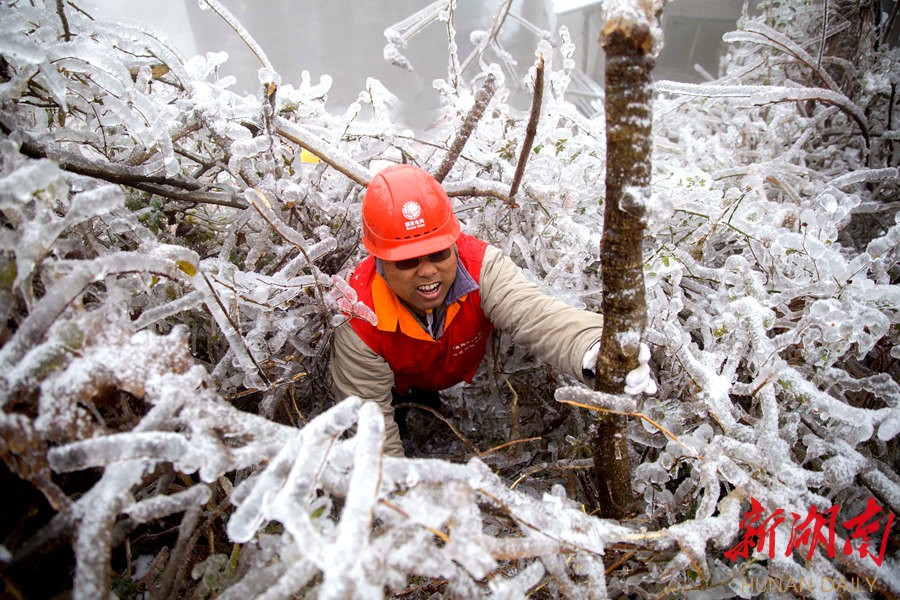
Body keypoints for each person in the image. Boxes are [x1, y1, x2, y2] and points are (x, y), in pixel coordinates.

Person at [330, 164, 655, 457]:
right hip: (393, 384)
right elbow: (372, 439)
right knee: (396, 424)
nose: (427, 271)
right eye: (408, 260)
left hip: (443, 372)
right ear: (380, 262)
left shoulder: (482, 268)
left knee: (435, 417)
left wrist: (597, 348)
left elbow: (537, 315)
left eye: (439, 253)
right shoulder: (359, 319)